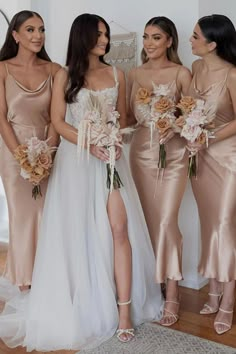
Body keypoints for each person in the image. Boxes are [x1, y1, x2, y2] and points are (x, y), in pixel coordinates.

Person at [0, 13, 163, 351]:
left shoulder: (117, 74)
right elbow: (58, 122)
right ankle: (85, 300)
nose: (105, 41)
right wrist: (91, 143)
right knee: (81, 234)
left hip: (111, 164)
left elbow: (124, 119)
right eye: (99, 35)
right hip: (76, 166)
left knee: (120, 229)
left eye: (106, 35)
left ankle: (124, 314)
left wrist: (115, 140)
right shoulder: (64, 76)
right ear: (83, 37)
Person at [127, 16, 192, 326]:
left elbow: (195, 115)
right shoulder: (134, 74)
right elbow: (127, 116)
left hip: (175, 154)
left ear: (169, 41)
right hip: (140, 154)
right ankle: (154, 285)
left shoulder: (182, 73)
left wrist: (177, 125)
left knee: (167, 220)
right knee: (146, 222)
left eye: (156, 37)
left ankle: (174, 292)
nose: (149, 43)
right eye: (146, 37)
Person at [0, 10, 60, 290]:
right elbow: (0, 118)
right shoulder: (2, 69)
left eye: (41, 29)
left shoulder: (54, 70)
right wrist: (21, 158)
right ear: (15, 35)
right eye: (30, 30)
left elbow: (57, 117)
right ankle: (24, 281)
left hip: (48, 147)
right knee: (22, 214)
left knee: (46, 212)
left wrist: (47, 152)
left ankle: (47, 277)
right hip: (12, 149)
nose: (38, 36)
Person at [188, 14, 236, 335]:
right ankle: (215, 289)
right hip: (199, 159)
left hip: (228, 157)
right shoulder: (195, 69)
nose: (189, 40)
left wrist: (208, 138)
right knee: (209, 226)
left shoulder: (232, 74)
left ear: (212, 43)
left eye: (194, 36)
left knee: (225, 226)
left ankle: (229, 298)